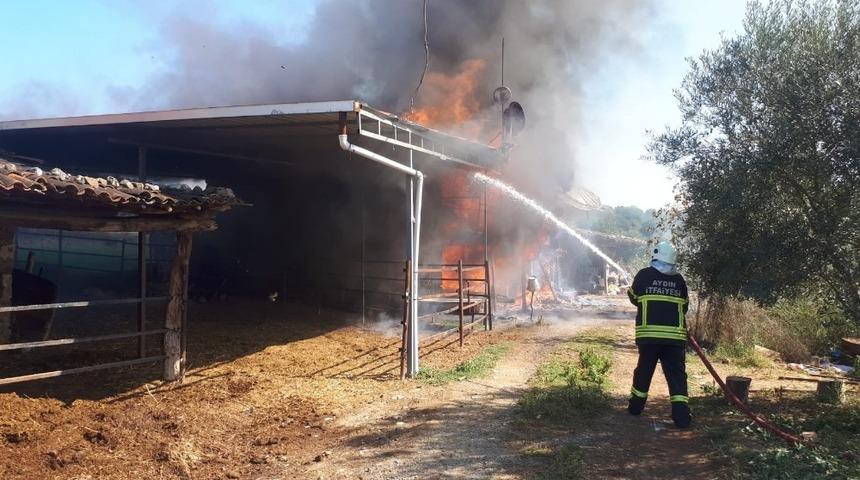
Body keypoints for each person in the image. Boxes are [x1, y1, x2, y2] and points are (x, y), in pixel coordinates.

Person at [626, 241, 692, 428]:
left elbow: (634, 297)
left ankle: (635, 407)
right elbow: (685, 306)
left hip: (649, 336)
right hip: (675, 338)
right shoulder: (679, 280)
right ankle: (682, 417)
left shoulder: (644, 275)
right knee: (676, 375)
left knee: (644, 371)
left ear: (655, 256)